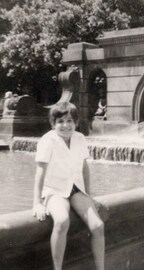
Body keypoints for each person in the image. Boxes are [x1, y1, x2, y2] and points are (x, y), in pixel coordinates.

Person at [32, 101, 105, 270]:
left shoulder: (79, 138)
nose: (65, 125)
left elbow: (84, 168)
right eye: (60, 121)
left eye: (70, 121)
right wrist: (37, 203)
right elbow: (40, 173)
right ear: (53, 124)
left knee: (98, 226)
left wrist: (89, 195)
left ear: (76, 122)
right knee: (62, 221)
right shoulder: (47, 140)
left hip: (76, 188)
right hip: (54, 190)